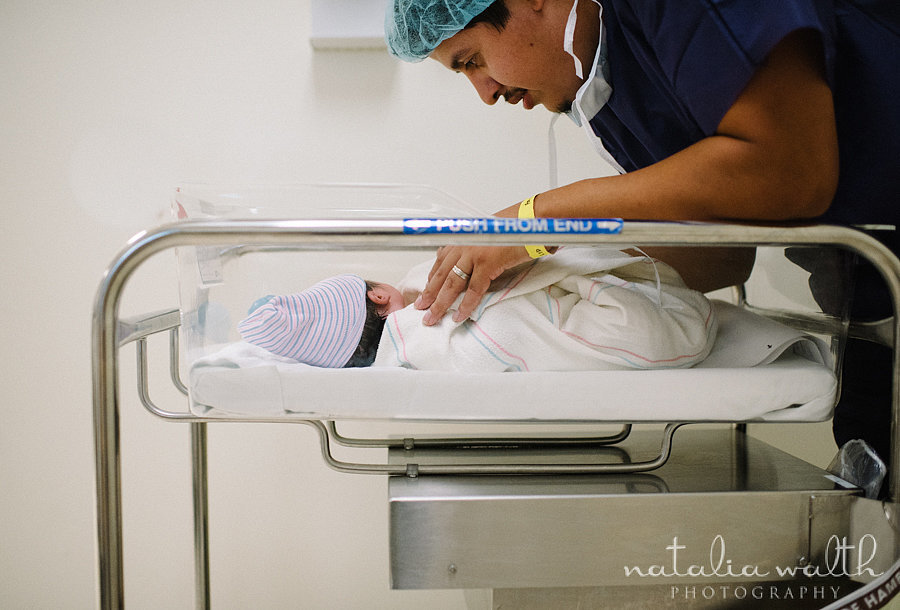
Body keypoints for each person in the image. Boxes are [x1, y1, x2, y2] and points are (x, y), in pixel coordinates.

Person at [384, 0, 899, 467]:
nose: (486, 93)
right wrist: (547, 275)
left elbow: (789, 171)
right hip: (874, 301)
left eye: (472, 60)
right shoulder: (608, 88)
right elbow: (721, 254)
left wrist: (539, 220)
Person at [236, 247, 718, 372]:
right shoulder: (421, 306)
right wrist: (565, 275)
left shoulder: (410, 354)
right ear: (380, 296)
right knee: (641, 325)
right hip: (524, 323)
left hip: (525, 324)